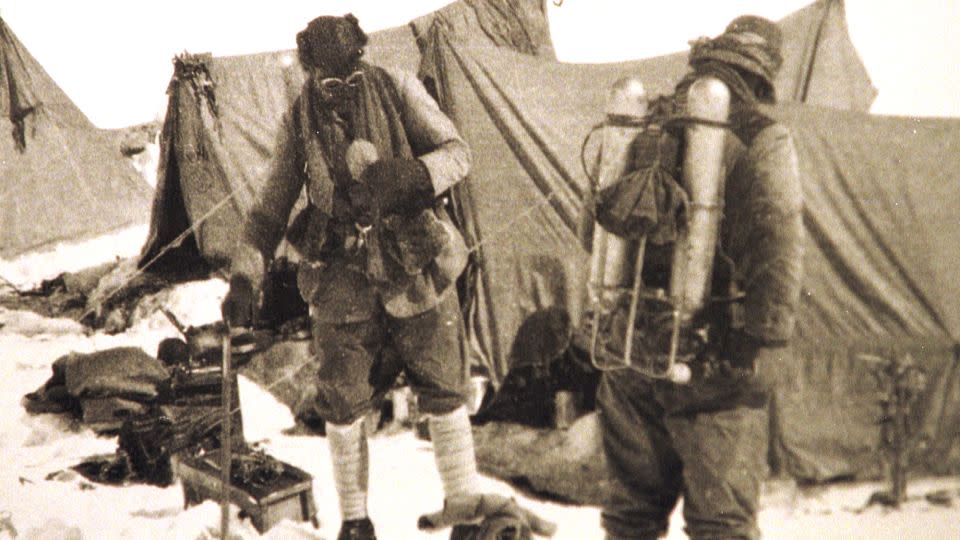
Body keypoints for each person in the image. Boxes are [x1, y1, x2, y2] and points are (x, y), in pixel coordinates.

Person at [221, 14, 479, 540]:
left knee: (445, 390)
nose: (341, 91)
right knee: (341, 401)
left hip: (416, 268)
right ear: (311, 73)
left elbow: (459, 153)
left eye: (351, 76)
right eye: (329, 82)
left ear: (363, 58)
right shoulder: (299, 120)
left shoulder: (398, 87)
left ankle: (467, 515)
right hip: (341, 282)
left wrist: (417, 175)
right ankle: (356, 522)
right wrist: (245, 277)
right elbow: (269, 211)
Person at [593, 15, 804, 540]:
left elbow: (596, 222)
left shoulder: (642, 126)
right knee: (722, 525)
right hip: (714, 361)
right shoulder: (763, 137)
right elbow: (778, 245)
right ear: (761, 76)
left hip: (629, 347)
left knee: (629, 520)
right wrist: (759, 340)